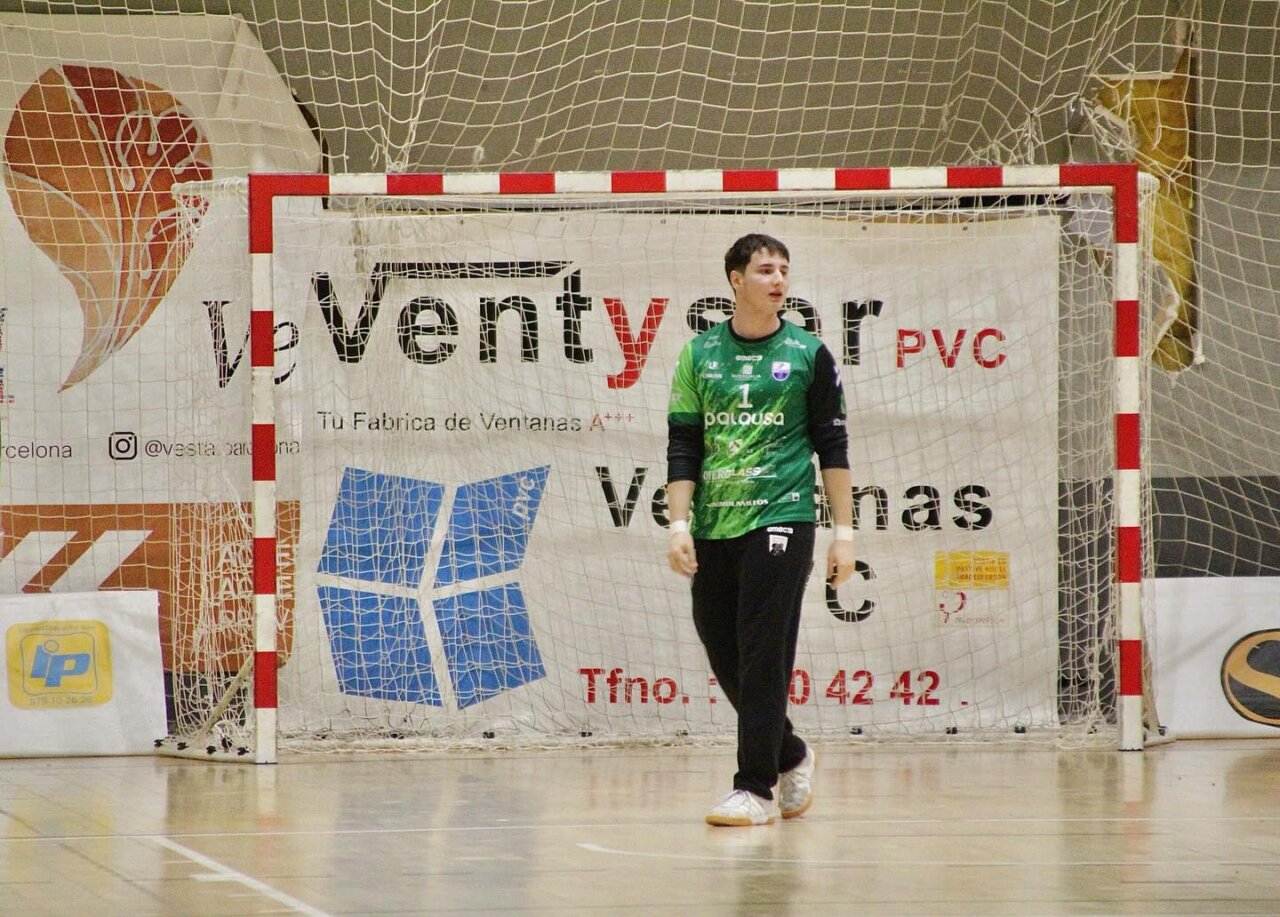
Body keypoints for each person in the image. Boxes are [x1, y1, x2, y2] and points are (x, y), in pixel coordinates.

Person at [666, 232, 855, 827]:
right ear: (735, 280)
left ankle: (756, 787)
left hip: (783, 516)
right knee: (719, 641)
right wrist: (678, 522)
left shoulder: (807, 354)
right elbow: (683, 444)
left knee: (762, 647)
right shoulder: (698, 355)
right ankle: (792, 751)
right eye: (765, 270)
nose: (777, 280)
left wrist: (844, 533)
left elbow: (833, 447)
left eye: (784, 271)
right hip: (716, 520)